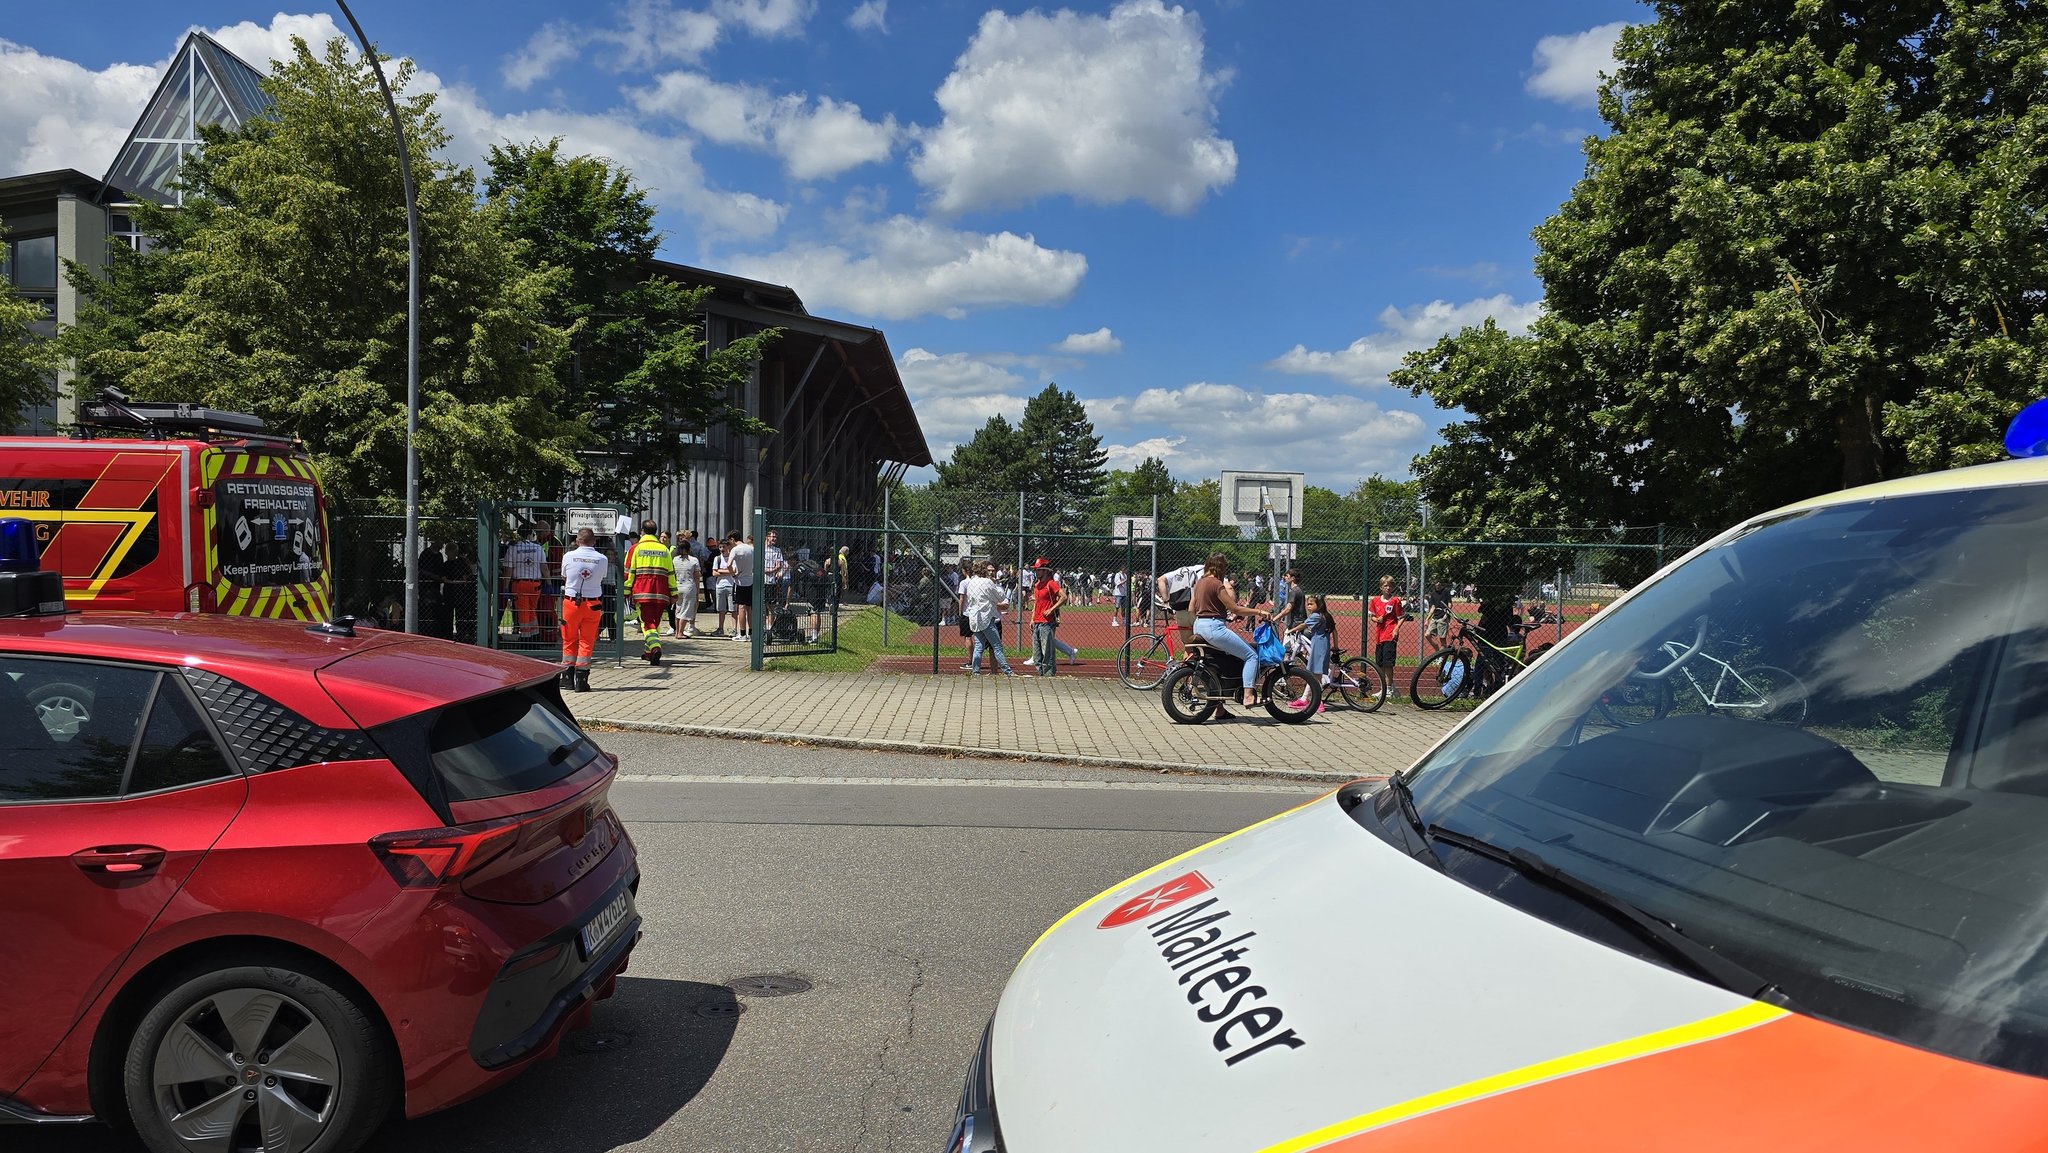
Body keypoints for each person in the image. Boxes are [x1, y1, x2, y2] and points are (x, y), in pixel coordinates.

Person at [1191, 553, 1276, 708]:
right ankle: (1248, 696)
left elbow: (1192, 608)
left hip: (1198, 625)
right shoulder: (1216, 584)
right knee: (1251, 656)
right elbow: (1235, 607)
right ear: (1220, 567)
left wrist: (1217, 613)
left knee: (1219, 661)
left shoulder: (1200, 583)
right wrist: (1259, 612)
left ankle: (1219, 707)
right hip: (1214, 627)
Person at [558, 528, 608, 692]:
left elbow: (565, 576)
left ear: (578, 541)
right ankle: (582, 679)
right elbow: (602, 578)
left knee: (569, 638)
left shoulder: (568, 556)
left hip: (571, 603)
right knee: (587, 640)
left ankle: (566, 678)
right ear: (594, 541)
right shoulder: (602, 559)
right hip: (593, 604)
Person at [624, 520, 676, 665]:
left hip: (642, 592)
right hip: (661, 593)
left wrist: (626, 591)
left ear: (642, 531)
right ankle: (648, 653)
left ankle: (655, 647)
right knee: (655, 623)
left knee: (647, 624)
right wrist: (674, 593)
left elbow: (628, 572)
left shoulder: (635, 549)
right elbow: (671, 573)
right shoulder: (664, 549)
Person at [961, 560, 1017, 675]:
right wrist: (993, 585)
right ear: (984, 571)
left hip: (974, 619)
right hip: (986, 618)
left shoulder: (971, 582)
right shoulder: (987, 582)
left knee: (979, 646)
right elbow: (1001, 597)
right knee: (997, 646)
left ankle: (975, 671)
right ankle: (1008, 671)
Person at [1289, 592, 1338, 713]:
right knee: (1313, 674)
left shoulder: (1316, 616)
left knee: (1316, 676)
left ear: (1319, 605)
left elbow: (1303, 625)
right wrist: (1336, 646)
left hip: (1318, 646)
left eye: (1311, 604)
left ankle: (1318, 702)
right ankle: (1304, 699)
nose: (1308, 606)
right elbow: (1335, 631)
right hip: (1323, 644)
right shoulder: (1326, 616)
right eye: (1307, 604)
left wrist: (1291, 630)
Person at [501, 524, 548, 640]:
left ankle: (525, 637)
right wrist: (549, 583)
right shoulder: (538, 548)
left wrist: (506, 587)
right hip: (535, 584)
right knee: (531, 610)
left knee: (523, 611)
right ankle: (535, 635)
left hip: (520, 584)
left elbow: (509, 570)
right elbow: (544, 568)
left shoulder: (513, 548)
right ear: (531, 534)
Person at [1369, 574, 1405, 696]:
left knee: (1388, 663)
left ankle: (1389, 688)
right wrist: (1376, 619)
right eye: (1385, 586)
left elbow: (1401, 617)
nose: (1388, 588)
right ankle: (1385, 688)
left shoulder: (1395, 601)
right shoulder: (1375, 600)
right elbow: (1372, 616)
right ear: (1381, 587)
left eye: (1390, 586)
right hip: (1379, 636)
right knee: (1380, 663)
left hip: (1390, 635)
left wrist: (1396, 629)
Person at [674, 533, 702, 639]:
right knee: (686, 611)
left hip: (677, 586)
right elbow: (696, 577)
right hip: (689, 587)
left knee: (678, 609)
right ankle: (681, 632)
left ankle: (677, 632)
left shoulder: (675, 560)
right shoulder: (693, 560)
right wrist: (697, 592)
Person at [728, 531, 756, 640]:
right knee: (749, 608)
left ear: (732, 539)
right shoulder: (751, 548)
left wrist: (733, 574)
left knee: (741, 607)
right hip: (751, 580)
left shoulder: (735, 550)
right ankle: (751, 633)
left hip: (740, 582)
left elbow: (729, 564)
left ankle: (743, 634)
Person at [711, 538, 737, 637]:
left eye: (724, 547)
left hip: (731, 585)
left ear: (728, 548)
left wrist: (720, 571)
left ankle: (734, 629)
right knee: (721, 609)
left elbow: (733, 571)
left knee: (733, 609)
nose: (722, 549)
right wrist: (726, 571)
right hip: (720, 586)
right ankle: (720, 628)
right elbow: (714, 573)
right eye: (720, 547)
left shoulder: (732, 558)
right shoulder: (717, 559)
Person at [763, 530, 790, 609]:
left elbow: (779, 565)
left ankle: (770, 622)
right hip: (761, 581)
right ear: (767, 537)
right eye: (773, 537)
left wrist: (769, 571)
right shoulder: (760, 549)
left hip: (771, 581)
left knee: (771, 606)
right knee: (760, 606)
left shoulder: (777, 550)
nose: (774, 539)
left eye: (775, 537)